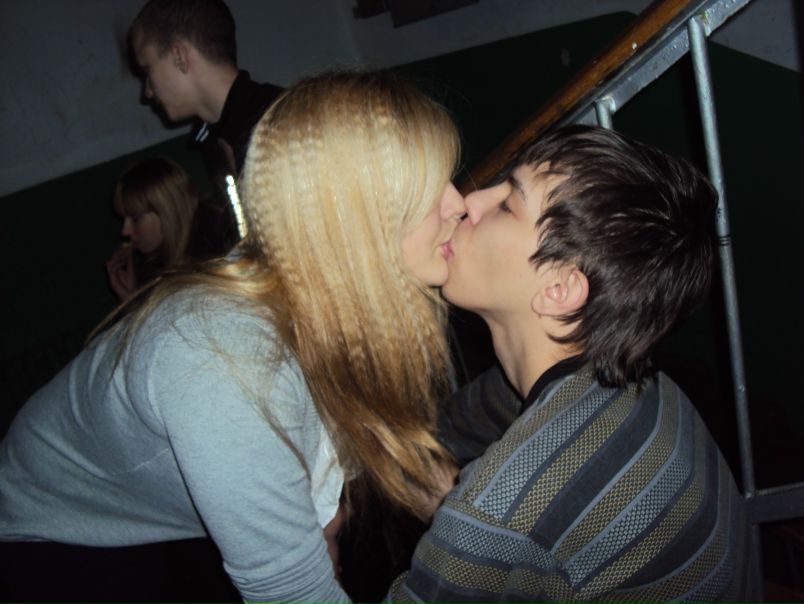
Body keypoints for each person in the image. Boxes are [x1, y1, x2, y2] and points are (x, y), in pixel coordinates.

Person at [0, 71, 464, 603]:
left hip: (145, 506)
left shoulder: (326, 299)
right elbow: (294, 594)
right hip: (52, 533)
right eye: (430, 187)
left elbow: (381, 444)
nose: (460, 204)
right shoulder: (227, 361)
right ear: (348, 214)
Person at [387, 125, 758, 603]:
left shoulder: (501, 509)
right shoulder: (628, 379)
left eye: (507, 205)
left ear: (559, 290)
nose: (468, 202)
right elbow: (439, 431)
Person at [129, 0, 284, 258]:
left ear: (179, 55)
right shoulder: (214, 136)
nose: (147, 92)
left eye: (147, 69)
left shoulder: (278, 120)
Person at [106, 157, 199, 301]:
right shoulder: (155, 271)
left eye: (135, 219)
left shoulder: (215, 261)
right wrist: (133, 298)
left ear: (167, 211)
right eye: (124, 219)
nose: (125, 231)